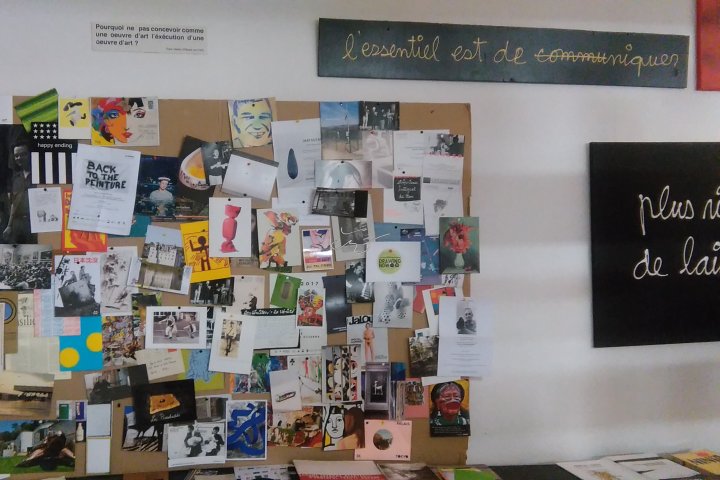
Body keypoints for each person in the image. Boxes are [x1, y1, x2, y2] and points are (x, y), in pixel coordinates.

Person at [3, 144, 33, 243]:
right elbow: (14, 203)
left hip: (34, 223)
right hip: (18, 224)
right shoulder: (15, 178)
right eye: (16, 155)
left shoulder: (40, 175)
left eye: (23, 154)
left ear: (30, 154)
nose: (19, 158)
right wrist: (9, 226)